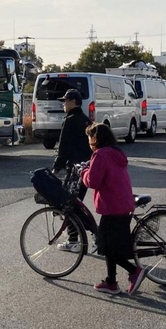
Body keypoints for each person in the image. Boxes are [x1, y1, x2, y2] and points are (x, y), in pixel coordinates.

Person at [80, 122, 147, 296]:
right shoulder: (116, 153)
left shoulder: (100, 154)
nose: (88, 141)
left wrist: (83, 172)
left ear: (96, 138)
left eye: (90, 137)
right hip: (122, 204)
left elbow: (93, 181)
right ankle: (111, 282)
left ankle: (134, 271)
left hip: (112, 207)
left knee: (106, 246)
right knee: (110, 245)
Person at [54, 89, 93, 253]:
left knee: (69, 204)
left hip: (74, 170)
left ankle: (73, 240)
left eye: (65, 101)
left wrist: (56, 168)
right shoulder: (86, 120)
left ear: (73, 101)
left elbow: (63, 147)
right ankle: (87, 234)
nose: (63, 104)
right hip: (86, 168)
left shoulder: (70, 120)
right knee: (76, 204)